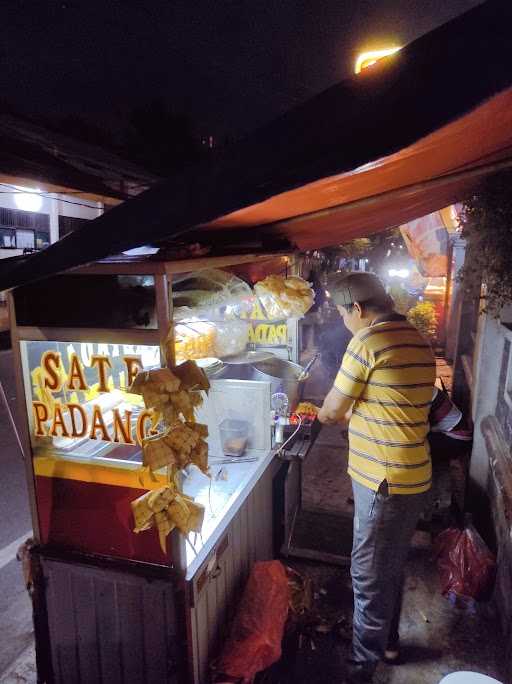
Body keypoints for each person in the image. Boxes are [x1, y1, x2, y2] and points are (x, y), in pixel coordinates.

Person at [317, 272, 436, 684]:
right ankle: (387, 641)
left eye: (342, 313)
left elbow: (332, 410)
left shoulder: (367, 341)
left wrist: (322, 412)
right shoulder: (416, 339)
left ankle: (359, 669)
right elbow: (391, 405)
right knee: (390, 561)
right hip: (413, 474)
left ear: (357, 309)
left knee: (367, 573)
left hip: (382, 480)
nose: (343, 322)